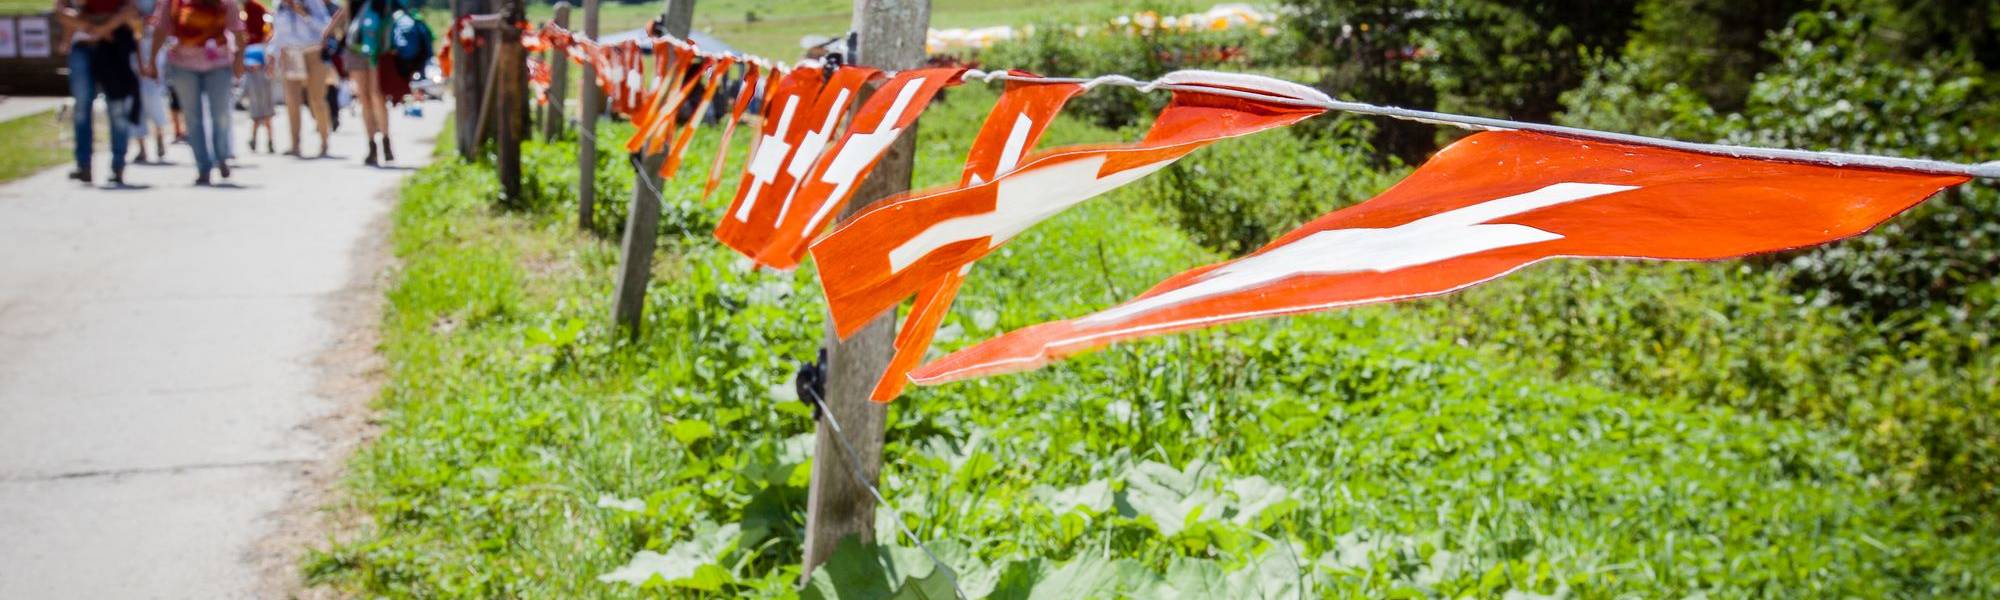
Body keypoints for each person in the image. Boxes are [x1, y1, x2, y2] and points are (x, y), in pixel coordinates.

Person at [142, 0, 246, 186]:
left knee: (220, 114)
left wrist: (239, 60)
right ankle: (203, 167)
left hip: (219, 63)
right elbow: (161, 29)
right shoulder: (173, 3)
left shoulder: (224, 3)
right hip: (183, 65)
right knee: (192, 118)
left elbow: (238, 31)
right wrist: (152, 60)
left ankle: (222, 156)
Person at [55, 0, 140, 185]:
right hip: (82, 46)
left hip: (113, 46)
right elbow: (61, 11)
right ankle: (83, 165)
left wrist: (103, 28)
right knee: (81, 109)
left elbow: (130, 11)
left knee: (117, 108)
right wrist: (88, 25)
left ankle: (118, 165)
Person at [324, 0, 392, 165]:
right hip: (360, 47)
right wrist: (326, 34)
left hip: (373, 47)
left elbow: (343, 16)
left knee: (374, 95)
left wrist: (326, 35)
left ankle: (382, 141)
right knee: (368, 97)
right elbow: (344, 15)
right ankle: (375, 144)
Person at [269, 0, 330, 156]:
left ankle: (324, 142)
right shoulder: (279, 5)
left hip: (313, 53)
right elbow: (278, 33)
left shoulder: (313, 3)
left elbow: (326, 26)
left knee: (316, 100)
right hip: (290, 54)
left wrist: (304, 13)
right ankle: (295, 144)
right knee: (292, 101)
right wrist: (272, 54)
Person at [238, 0, 274, 154]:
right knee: (255, 106)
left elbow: (269, 31)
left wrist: (266, 55)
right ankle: (254, 137)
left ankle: (270, 140)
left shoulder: (258, 8)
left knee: (266, 106)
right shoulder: (239, 11)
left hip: (261, 61)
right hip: (248, 63)